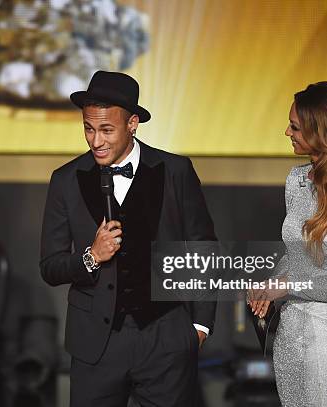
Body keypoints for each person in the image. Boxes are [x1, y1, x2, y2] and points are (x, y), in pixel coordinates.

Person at [40, 70, 217, 406]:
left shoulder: (176, 170)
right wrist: (90, 257)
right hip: (96, 346)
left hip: (166, 338)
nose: (95, 140)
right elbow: (50, 266)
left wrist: (199, 326)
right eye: (88, 129)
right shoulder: (65, 180)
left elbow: (202, 247)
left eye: (106, 129)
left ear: (133, 123)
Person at [249, 81, 327, 407]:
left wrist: (290, 285)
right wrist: (271, 283)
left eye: (295, 126)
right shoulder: (296, 180)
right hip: (293, 328)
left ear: (323, 131)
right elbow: (297, 255)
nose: (287, 132)